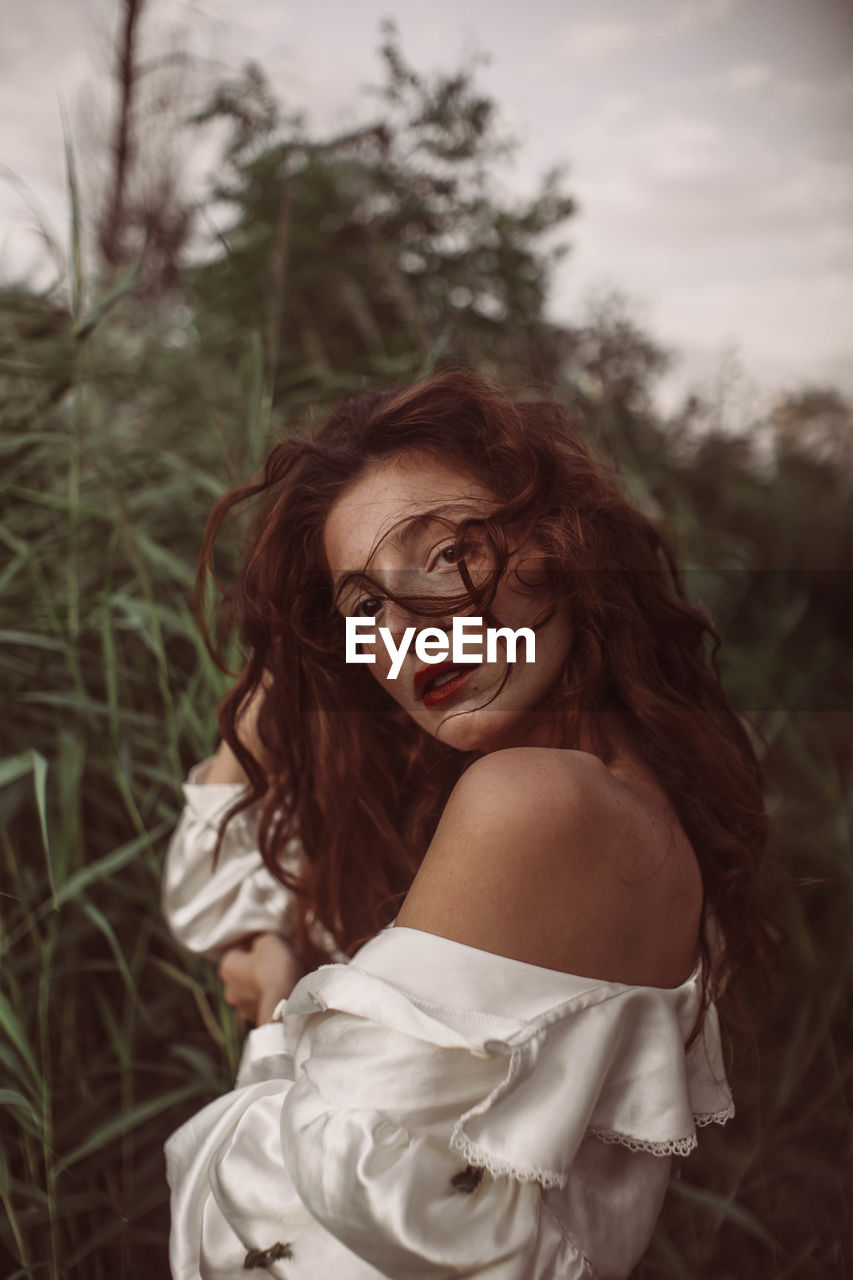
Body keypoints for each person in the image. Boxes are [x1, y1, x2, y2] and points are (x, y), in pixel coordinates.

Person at [163, 370, 774, 1279]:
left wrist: (274, 1017)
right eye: (364, 606)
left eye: (447, 557)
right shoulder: (621, 797)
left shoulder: (535, 803)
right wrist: (284, 685)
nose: (408, 634)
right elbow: (219, 888)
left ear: (564, 547)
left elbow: (293, 1224)